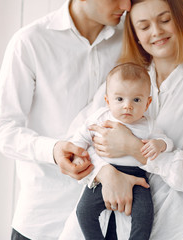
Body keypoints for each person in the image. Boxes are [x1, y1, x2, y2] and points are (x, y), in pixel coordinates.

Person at [59, 0, 183, 239]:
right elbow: (75, 143)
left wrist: (133, 147)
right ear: (136, 36)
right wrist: (105, 172)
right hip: (110, 223)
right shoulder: (121, 81)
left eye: (165, 20)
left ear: (182, 21)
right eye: (143, 26)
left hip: (176, 226)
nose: (156, 32)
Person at [0, 0, 150, 239]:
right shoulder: (31, 42)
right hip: (43, 219)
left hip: (111, 223)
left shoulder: (134, 38)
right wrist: (52, 150)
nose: (126, 5)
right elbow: (0, 129)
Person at [71, 62, 173, 240]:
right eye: (120, 99)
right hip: (103, 176)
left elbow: (167, 142)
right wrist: (78, 153)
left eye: (136, 100)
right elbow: (80, 137)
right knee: (83, 211)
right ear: (107, 100)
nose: (128, 106)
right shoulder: (100, 118)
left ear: (148, 103)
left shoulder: (149, 124)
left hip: (137, 177)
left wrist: (159, 144)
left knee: (145, 215)